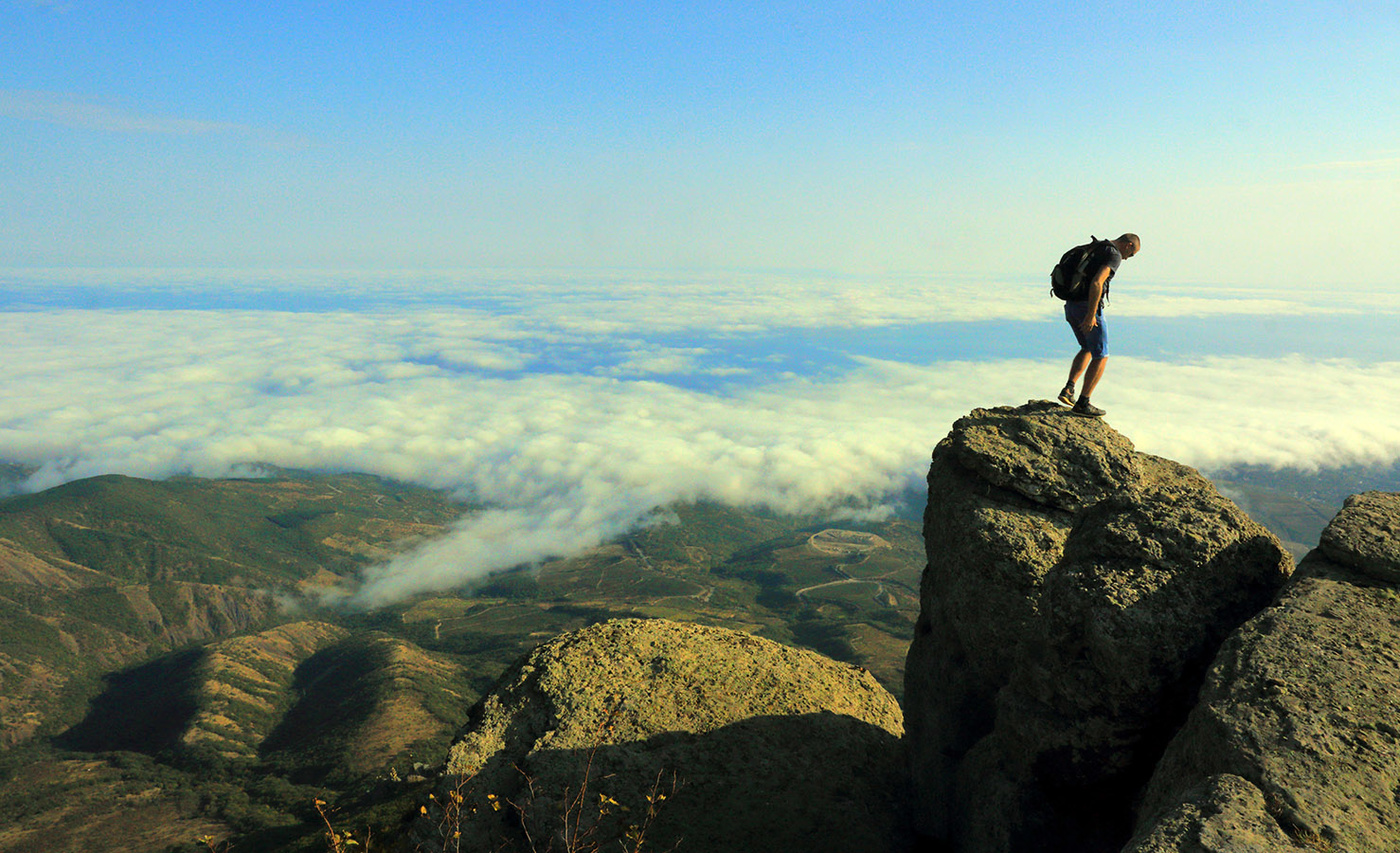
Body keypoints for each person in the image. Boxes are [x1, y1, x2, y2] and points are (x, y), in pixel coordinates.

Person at [1057, 233, 1140, 417]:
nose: (1127, 259)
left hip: (1071, 305)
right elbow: (1097, 283)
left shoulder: (1096, 247)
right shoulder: (1114, 255)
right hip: (1086, 307)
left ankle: (1069, 389)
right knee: (1101, 355)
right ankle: (1083, 403)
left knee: (1086, 347)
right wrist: (1091, 314)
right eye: (1131, 254)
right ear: (1128, 245)